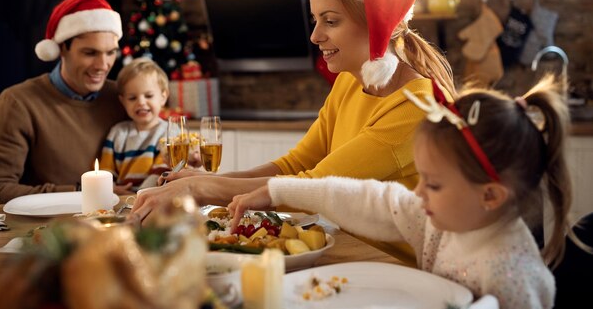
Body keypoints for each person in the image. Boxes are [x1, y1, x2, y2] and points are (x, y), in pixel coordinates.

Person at [132, 0, 455, 261]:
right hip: (350, 249)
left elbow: (314, 187)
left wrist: (200, 189)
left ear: (378, 26)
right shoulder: (348, 83)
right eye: (316, 20)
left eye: (330, 20)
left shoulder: (415, 108)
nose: (315, 36)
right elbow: (296, 165)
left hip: (396, 266)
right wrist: (210, 180)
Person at [228, 75, 590, 309]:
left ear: (490, 196)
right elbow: (367, 199)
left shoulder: (514, 274)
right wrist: (275, 190)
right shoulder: (438, 216)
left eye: (432, 183)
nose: (419, 192)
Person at [0, 0, 127, 205]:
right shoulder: (18, 103)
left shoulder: (123, 97)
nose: (103, 64)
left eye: (110, 52)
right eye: (90, 53)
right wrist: (80, 192)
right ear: (61, 48)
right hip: (45, 234)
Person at [99, 57, 169, 191]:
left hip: (153, 195)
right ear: (123, 101)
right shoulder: (118, 132)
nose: (141, 102)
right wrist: (111, 188)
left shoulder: (168, 132)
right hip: (119, 197)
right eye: (132, 98)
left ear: (163, 97)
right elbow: (106, 169)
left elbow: (161, 172)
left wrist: (140, 195)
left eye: (148, 96)